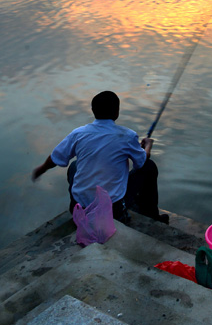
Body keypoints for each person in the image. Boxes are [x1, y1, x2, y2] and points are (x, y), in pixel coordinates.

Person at [32, 90, 168, 224]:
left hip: (79, 208)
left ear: (93, 110)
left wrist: (41, 169)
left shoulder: (78, 133)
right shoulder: (127, 136)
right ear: (117, 112)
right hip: (112, 211)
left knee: (74, 165)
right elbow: (142, 162)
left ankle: (79, 209)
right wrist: (148, 145)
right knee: (149, 167)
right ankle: (151, 215)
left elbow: (55, 158)